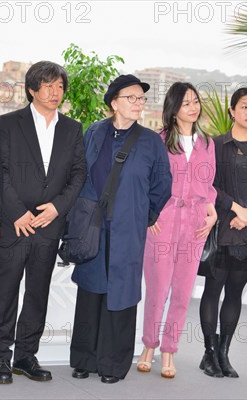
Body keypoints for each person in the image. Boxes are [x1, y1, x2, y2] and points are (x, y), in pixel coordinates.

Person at [0, 61, 87, 384]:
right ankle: (1, 357)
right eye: (48, 86)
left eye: (59, 86)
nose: (55, 92)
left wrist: (57, 209)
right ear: (32, 89)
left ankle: (26, 356)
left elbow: (78, 174)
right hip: (15, 224)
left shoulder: (72, 128)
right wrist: (17, 211)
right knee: (5, 291)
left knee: (37, 292)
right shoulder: (7, 124)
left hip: (49, 225)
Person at [69, 75, 172, 384]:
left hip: (129, 228)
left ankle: (113, 365)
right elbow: (79, 173)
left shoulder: (151, 141)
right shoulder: (94, 132)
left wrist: (144, 216)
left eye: (141, 98)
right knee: (91, 291)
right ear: (114, 102)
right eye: (132, 98)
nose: (139, 103)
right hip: (93, 227)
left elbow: (162, 185)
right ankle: (84, 359)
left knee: (121, 295)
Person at [137, 82, 217, 379]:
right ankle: (148, 346)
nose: (193, 107)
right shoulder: (158, 140)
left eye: (195, 101)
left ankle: (169, 350)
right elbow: (145, 180)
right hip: (164, 220)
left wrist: (211, 210)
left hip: (195, 225)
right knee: (157, 288)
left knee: (183, 292)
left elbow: (209, 186)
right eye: (186, 103)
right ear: (173, 109)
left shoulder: (207, 143)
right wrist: (150, 214)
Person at [199, 87, 247, 378]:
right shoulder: (214, 146)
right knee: (213, 290)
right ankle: (208, 354)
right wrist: (235, 208)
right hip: (221, 229)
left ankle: (224, 354)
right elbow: (207, 185)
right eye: (244, 106)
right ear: (232, 110)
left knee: (234, 293)